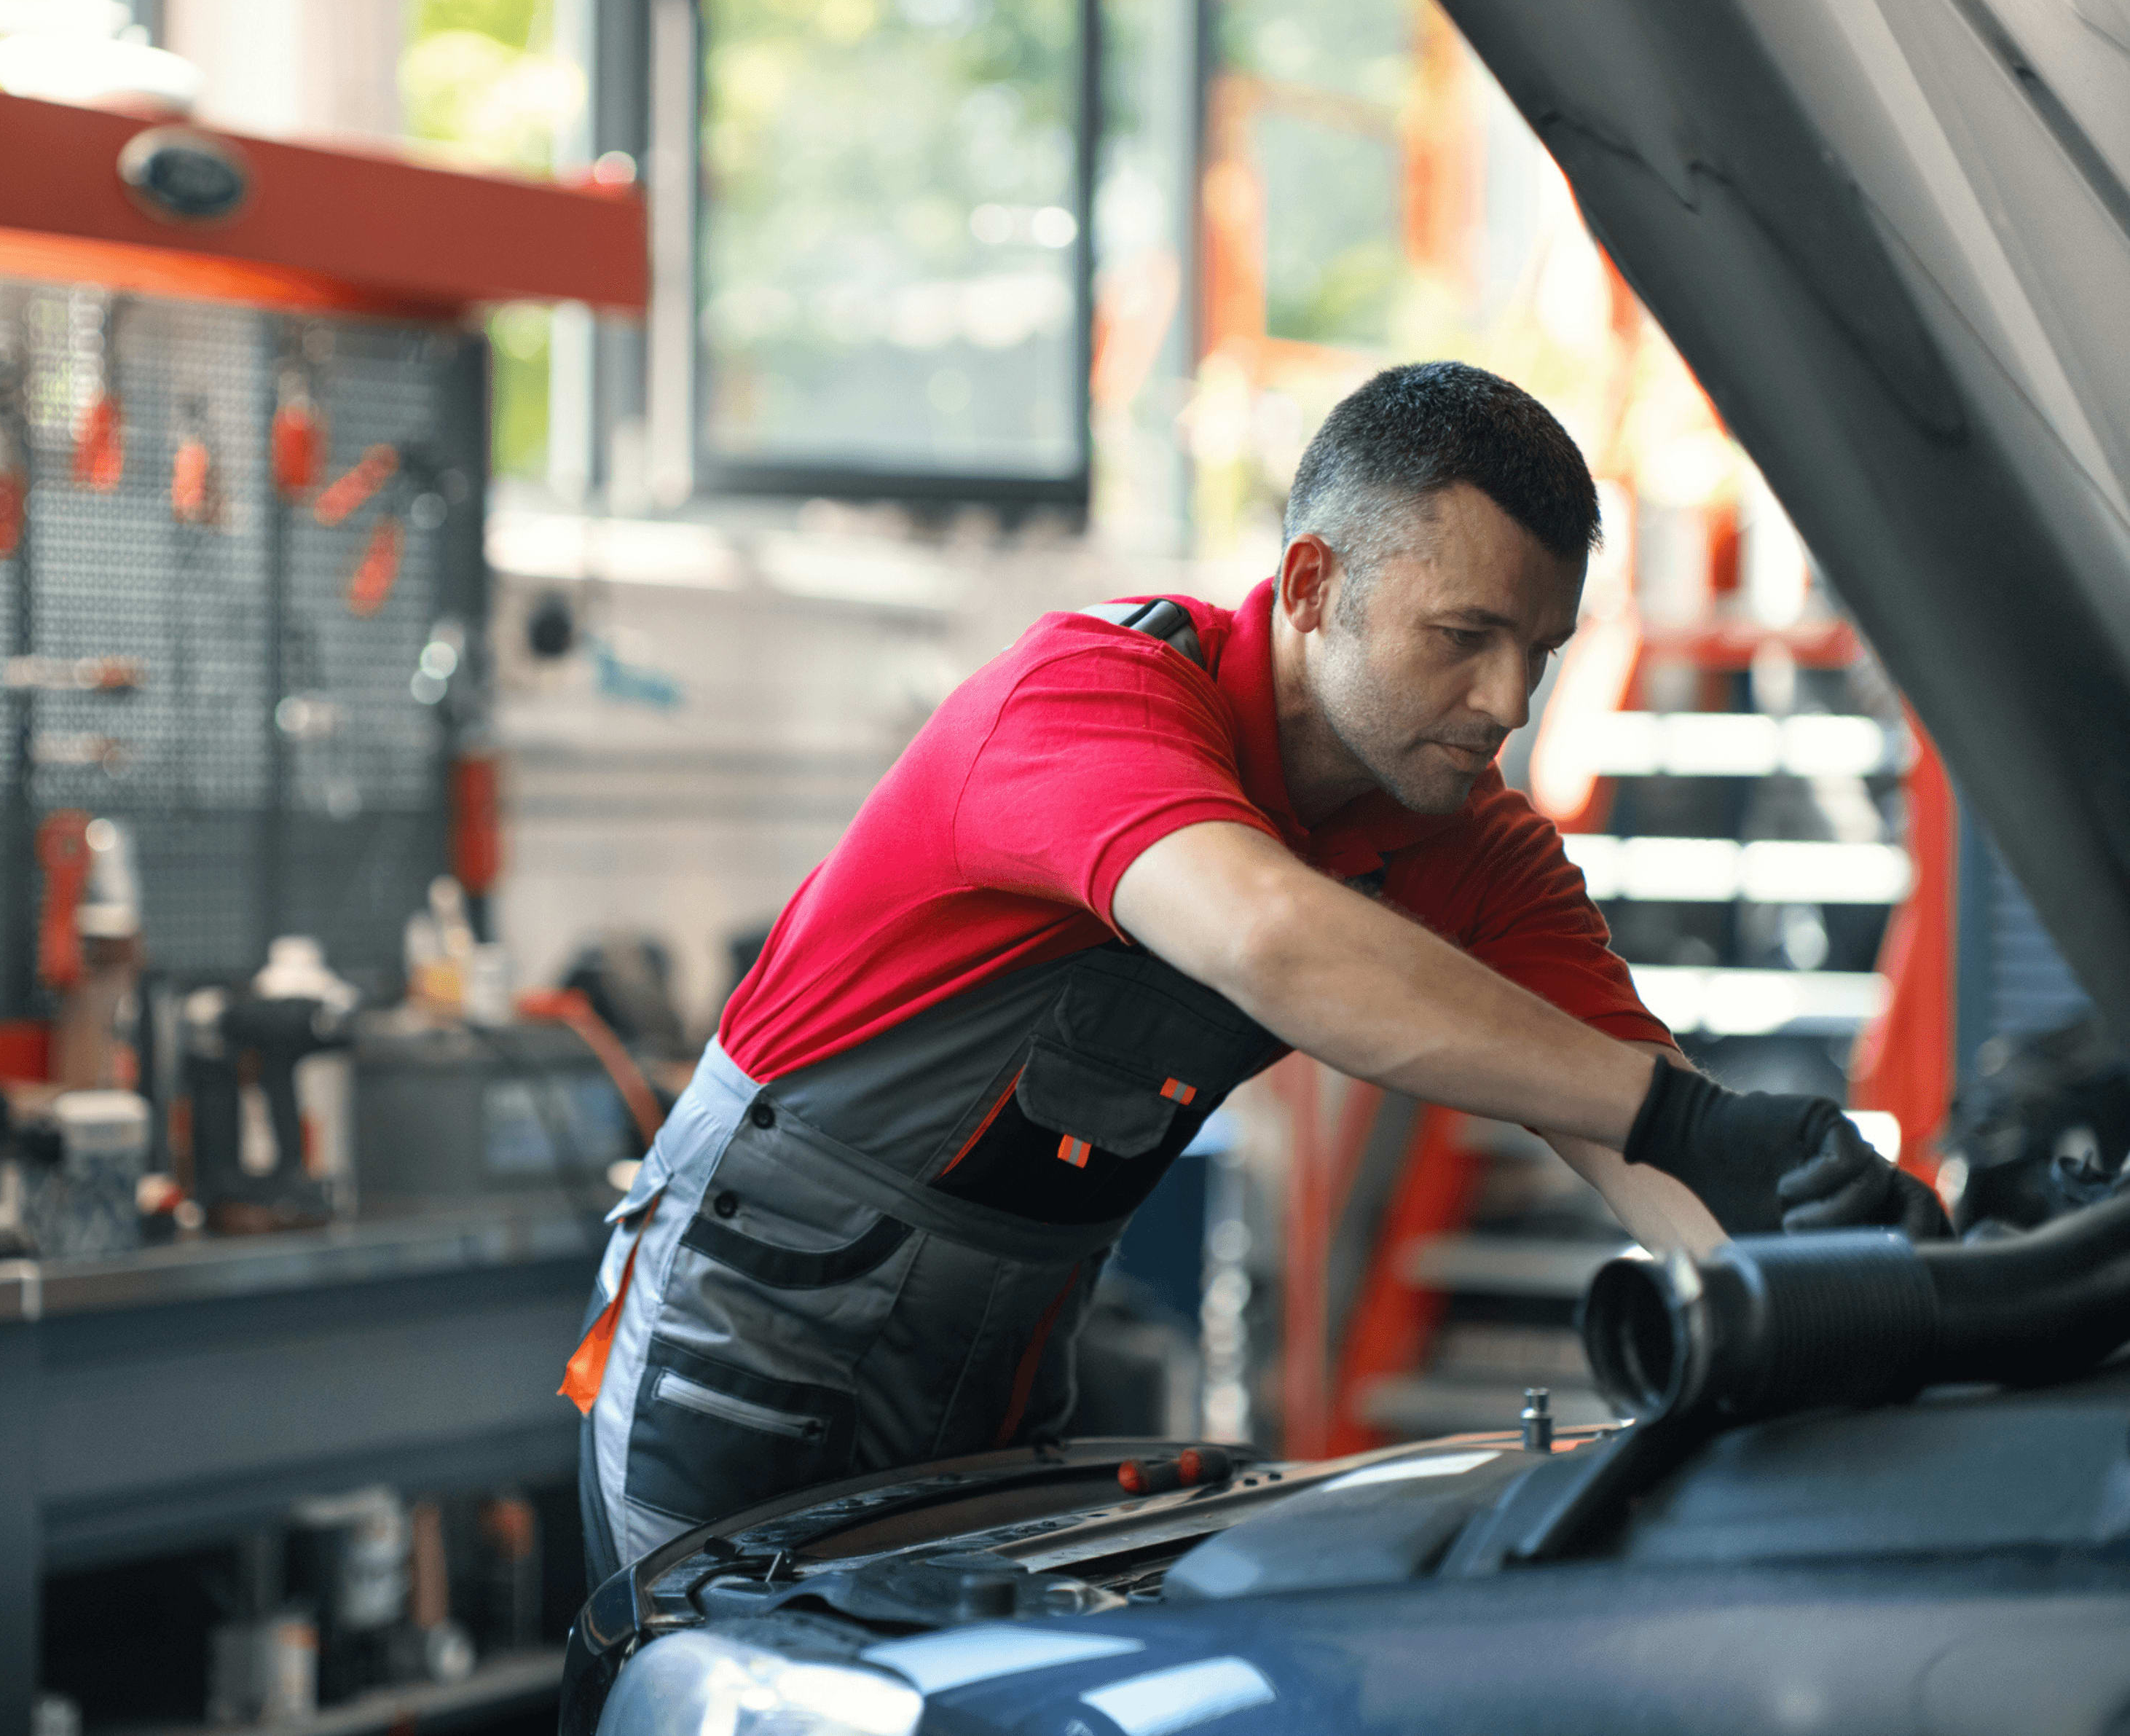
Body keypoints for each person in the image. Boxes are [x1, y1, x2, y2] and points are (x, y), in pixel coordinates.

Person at [561, 361, 1946, 1581]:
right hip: (751, 1328)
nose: (1505, 706)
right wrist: (1682, 1118)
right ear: (1309, 587)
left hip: (1005, 1349)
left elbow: (1635, 1136)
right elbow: (1272, 938)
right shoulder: (1088, 701)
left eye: (1539, 652)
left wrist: (1853, 1291)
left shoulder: (1467, 844)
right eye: (1463, 637)